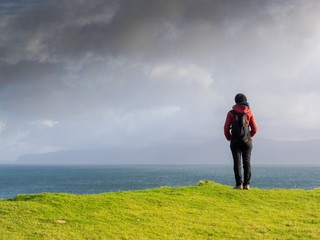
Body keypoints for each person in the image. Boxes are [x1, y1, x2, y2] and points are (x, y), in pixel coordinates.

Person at [224, 93, 257, 190]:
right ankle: (247, 185)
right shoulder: (249, 112)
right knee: (247, 163)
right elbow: (255, 128)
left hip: (235, 141)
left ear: (236, 102)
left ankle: (239, 185)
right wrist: (249, 136)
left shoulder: (231, 113)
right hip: (247, 141)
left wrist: (229, 138)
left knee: (237, 163)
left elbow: (226, 128)